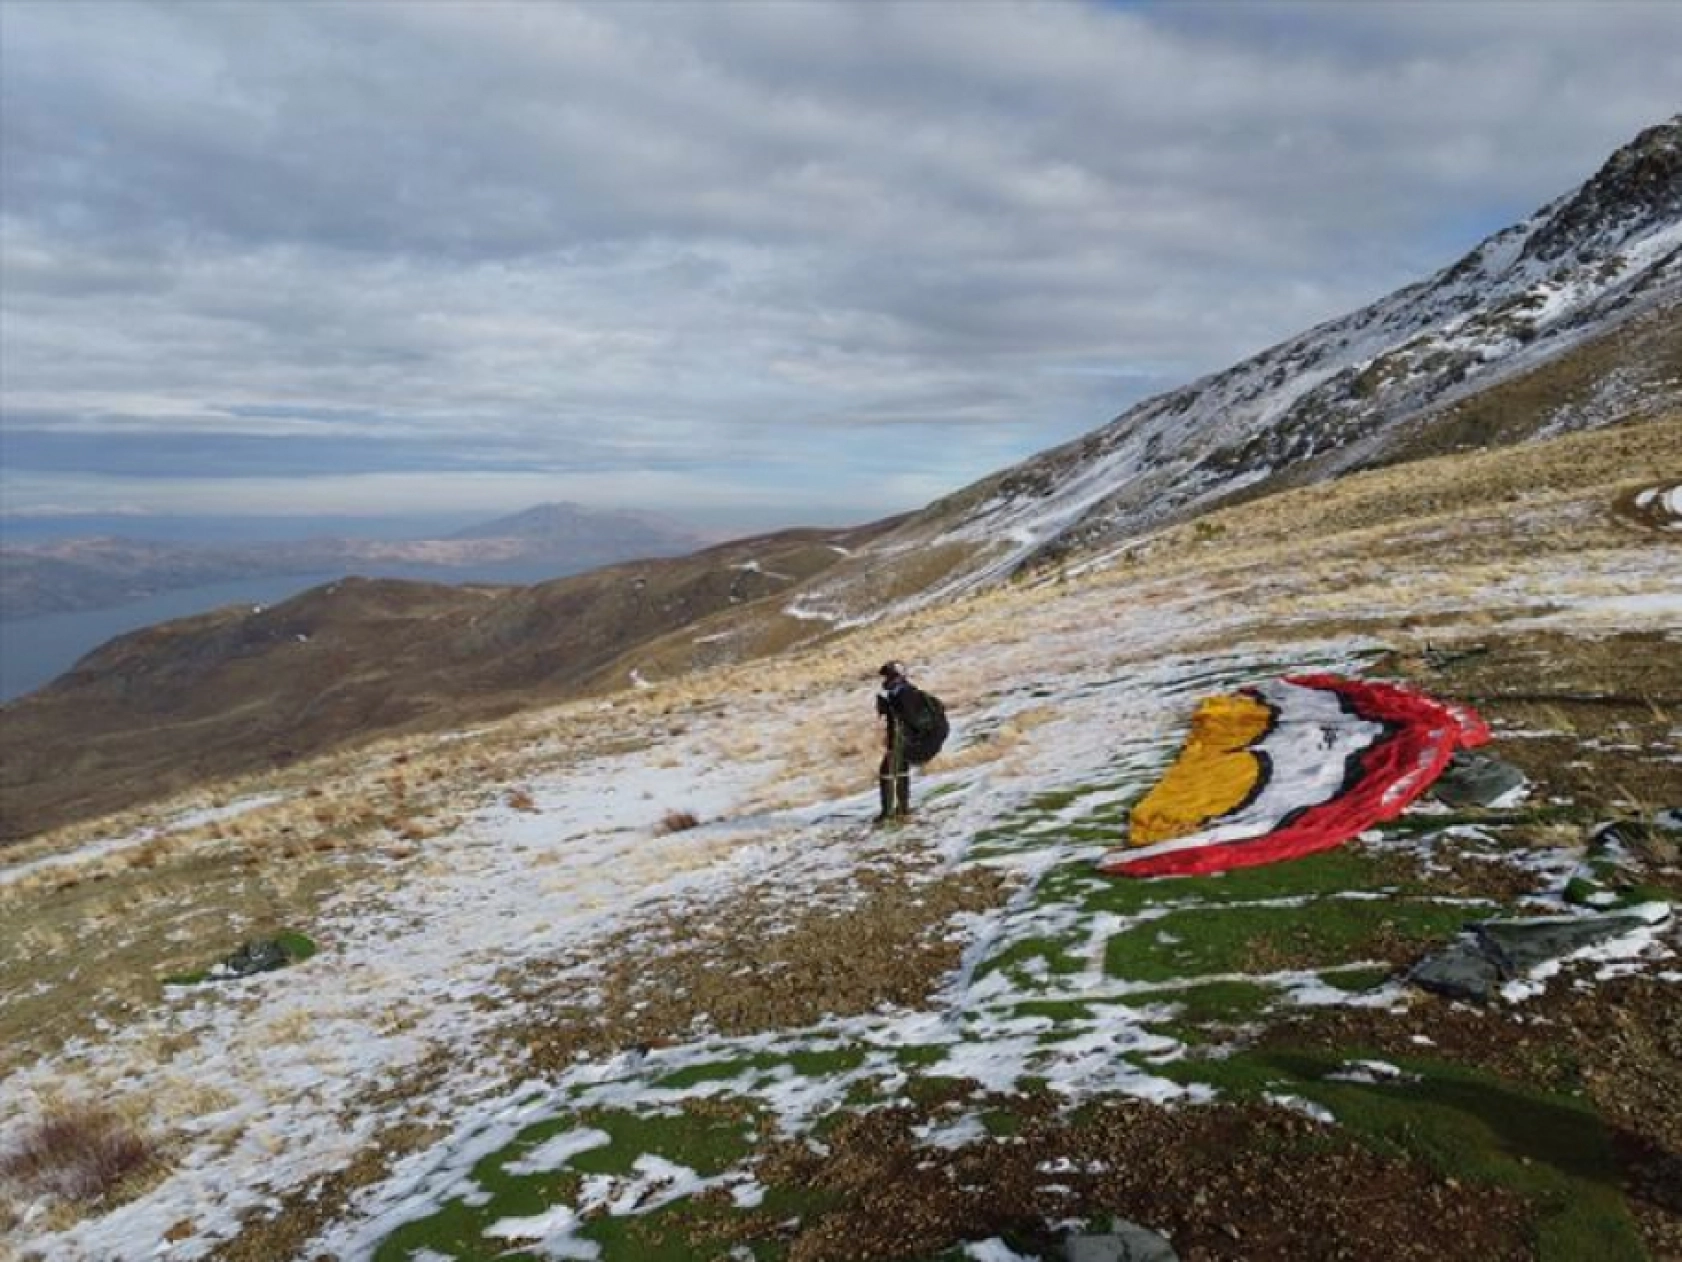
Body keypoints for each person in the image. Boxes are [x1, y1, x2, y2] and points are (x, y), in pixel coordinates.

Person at [875, 660, 914, 823]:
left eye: (888, 676)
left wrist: (887, 707)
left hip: (901, 740)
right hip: (904, 740)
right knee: (901, 771)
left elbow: (903, 717)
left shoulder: (903, 693)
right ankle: (903, 809)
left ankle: (888, 812)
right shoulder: (902, 691)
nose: (885, 680)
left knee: (886, 772)